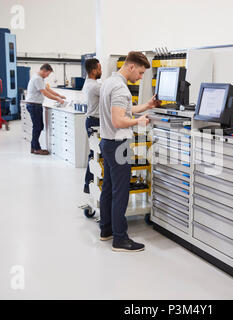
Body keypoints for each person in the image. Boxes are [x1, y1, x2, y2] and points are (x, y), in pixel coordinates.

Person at [99, 51, 160, 252]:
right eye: (141, 73)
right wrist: (139, 122)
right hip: (119, 145)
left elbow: (124, 110)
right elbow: (119, 120)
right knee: (121, 192)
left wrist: (147, 106)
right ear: (131, 66)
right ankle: (120, 239)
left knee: (109, 188)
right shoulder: (120, 88)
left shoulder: (110, 82)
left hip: (108, 142)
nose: (141, 77)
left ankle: (106, 230)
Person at [25, 63, 66, 155]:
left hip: (34, 105)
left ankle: (33, 147)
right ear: (44, 71)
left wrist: (59, 95)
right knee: (38, 127)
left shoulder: (39, 78)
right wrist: (58, 99)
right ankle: (36, 148)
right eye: (48, 74)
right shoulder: (37, 79)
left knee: (38, 126)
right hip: (34, 105)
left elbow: (48, 89)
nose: (48, 76)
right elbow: (45, 93)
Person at [82, 58, 102, 194]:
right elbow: (110, 95)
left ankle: (90, 183)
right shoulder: (95, 86)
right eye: (99, 68)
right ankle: (89, 183)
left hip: (92, 120)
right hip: (95, 122)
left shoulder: (89, 83)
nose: (101, 71)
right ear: (94, 70)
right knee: (95, 154)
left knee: (94, 153)